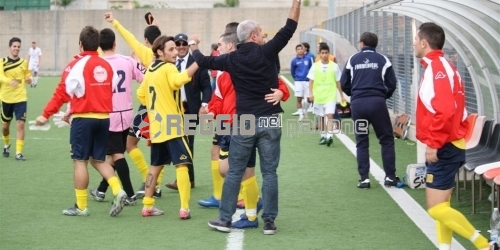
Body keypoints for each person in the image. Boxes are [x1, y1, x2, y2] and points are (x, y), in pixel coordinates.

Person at [189, 0, 301, 235]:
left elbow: (203, 61)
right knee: (270, 172)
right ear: (253, 35)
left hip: (244, 121)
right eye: (260, 33)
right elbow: (290, 26)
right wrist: (296, 3)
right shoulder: (267, 51)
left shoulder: (231, 59)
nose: (263, 36)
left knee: (236, 170)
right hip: (270, 118)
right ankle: (269, 221)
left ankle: (225, 219)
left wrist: (194, 45)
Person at [414, 22, 498, 250]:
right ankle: (445, 248)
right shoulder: (442, 65)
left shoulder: (437, 68)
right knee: (444, 205)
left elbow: (445, 110)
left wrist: (434, 143)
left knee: (435, 208)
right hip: (451, 142)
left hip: (445, 144)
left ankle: (484, 245)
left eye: (415, 39)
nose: (413, 43)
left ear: (424, 42)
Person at [198, 33, 290, 229]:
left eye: (220, 45)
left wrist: (283, 92)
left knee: (241, 171)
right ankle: (255, 212)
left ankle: (248, 214)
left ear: (232, 45)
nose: (217, 49)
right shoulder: (225, 71)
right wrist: (211, 111)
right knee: (229, 167)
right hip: (230, 124)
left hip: (244, 123)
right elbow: (219, 99)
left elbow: (278, 83)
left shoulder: (243, 63)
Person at [34, 26, 127, 217]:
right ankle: (118, 190)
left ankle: (81, 207)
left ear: (80, 44)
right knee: (98, 159)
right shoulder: (106, 65)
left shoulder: (76, 64)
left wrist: (45, 114)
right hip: (104, 119)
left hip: (84, 119)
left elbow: (62, 92)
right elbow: (107, 90)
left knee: (80, 162)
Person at [137, 35, 199, 219]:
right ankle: (184, 208)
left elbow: (141, 95)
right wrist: (199, 63)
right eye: (171, 49)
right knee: (182, 166)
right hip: (173, 125)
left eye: (175, 49)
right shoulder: (168, 67)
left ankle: (147, 206)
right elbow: (178, 80)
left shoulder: (150, 70)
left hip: (157, 127)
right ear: (159, 52)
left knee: (155, 167)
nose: (175, 53)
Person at [104, 12, 163, 198]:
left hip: (147, 107)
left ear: (146, 40)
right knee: (159, 149)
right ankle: (154, 183)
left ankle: (151, 182)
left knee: (129, 145)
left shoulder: (146, 52)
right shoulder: (166, 53)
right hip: (163, 107)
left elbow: (128, 37)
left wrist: (114, 21)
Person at [89, 28, 145, 206]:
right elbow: (144, 77)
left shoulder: (96, 64)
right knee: (114, 154)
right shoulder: (127, 61)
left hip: (109, 115)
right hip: (127, 113)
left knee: (117, 154)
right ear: (115, 43)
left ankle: (129, 194)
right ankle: (101, 190)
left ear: (99, 45)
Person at [340, 31, 399, 189]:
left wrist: (354, 94)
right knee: (386, 140)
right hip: (377, 102)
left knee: (362, 142)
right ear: (375, 44)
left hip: (358, 104)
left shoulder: (353, 59)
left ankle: (364, 179)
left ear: (361, 43)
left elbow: (344, 82)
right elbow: (392, 82)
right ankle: (390, 177)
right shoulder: (382, 59)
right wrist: (383, 95)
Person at [164, 33, 212, 191]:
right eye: (177, 44)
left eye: (184, 43)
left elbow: (206, 86)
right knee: (174, 144)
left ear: (188, 45)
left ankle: (187, 180)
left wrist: (204, 104)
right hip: (171, 110)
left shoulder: (196, 62)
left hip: (189, 110)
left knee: (187, 144)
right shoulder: (168, 63)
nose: (181, 46)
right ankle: (183, 178)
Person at [307, 43, 345, 147]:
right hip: (318, 96)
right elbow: (311, 81)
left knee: (330, 115)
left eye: (326, 53)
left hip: (330, 96)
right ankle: (323, 135)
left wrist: (341, 95)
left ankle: (330, 136)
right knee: (321, 117)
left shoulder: (334, 66)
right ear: (319, 54)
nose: (324, 55)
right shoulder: (315, 66)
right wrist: (310, 94)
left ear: (329, 53)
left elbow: (338, 82)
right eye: (322, 53)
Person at [0, 37, 32, 161]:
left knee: (20, 124)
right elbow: (0, 76)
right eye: (14, 46)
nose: (16, 49)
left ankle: (18, 153)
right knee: (5, 127)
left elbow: (27, 75)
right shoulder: (2, 62)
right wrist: (9, 81)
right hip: (6, 98)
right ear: (9, 47)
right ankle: (6, 145)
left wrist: (29, 79)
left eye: (18, 46)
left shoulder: (24, 62)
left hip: (20, 98)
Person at [290, 43, 312, 121]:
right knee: (299, 98)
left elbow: (311, 69)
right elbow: (292, 71)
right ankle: (301, 114)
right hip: (298, 81)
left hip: (307, 81)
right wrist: (296, 78)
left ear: (304, 50)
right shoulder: (294, 61)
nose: (300, 51)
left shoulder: (308, 59)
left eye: (301, 49)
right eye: (298, 49)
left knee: (309, 99)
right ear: (296, 51)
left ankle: (305, 110)